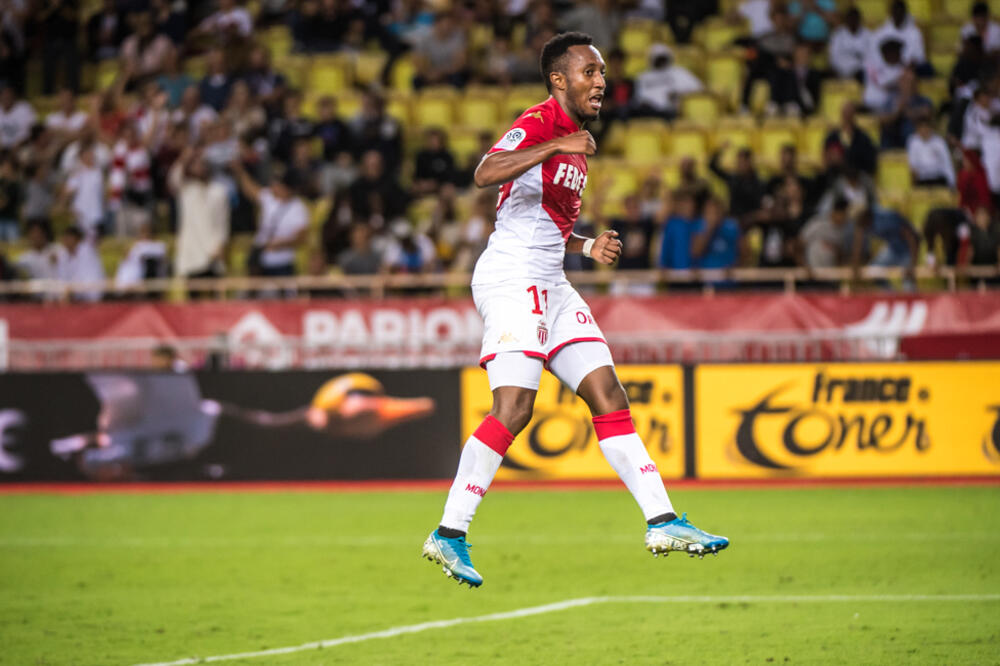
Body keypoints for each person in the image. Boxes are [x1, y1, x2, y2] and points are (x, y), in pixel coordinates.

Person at [421, 32, 728, 589]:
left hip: (551, 281)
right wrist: (555, 146)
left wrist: (587, 246)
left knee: (608, 393)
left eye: (602, 71)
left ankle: (663, 521)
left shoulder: (574, 141)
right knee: (514, 408)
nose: (601, 81)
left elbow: (546, 225)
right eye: (590, 71)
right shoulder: (540, 122)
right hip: (511, 277)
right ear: (559, 79)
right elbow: (485, 173)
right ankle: (449, 531)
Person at [232, 161, 309, 277]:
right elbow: (250, 189)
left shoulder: (298, 208)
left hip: (283, 262)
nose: (274, 185)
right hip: (260, 259)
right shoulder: (269, 198)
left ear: (287, 188)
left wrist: (281, 243)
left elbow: (302, 238)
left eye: (278, 183)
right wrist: (240, 171)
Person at [169, 148, 230, 280]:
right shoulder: (186, 190)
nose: (199, 167)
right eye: (195, 164)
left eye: (202, 164)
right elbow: (173, 178)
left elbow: (223, 222)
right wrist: (185, 157)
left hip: (212, 252)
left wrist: (220, 244)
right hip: (191, 254)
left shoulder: (218, 191)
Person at [632, 43, 703, 119]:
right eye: (658, 58)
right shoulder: (643, 77)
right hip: (648, 112)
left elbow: (699, 88)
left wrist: (680, 94)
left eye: (663, 58)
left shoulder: (679, 72)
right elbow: (637, 99)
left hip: (673, 111)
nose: (661, 61)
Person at [907, 114, 956, 187]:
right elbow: (912, 164)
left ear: (931, 128)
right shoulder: (913, 142)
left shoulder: (939, 142)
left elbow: (947, 164)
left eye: (926, 127)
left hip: (938, 179)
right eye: (921, 128)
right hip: (922, 180)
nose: (924, 130)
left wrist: (952, 183)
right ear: (917, 129)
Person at [829, 7, 871, 81]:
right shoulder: (838, 34)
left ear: (859, 19)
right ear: (846, 19)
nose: (853, 21)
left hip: (861, 72)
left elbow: (870, 56)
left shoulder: (867, 34)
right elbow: (833, 56)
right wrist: (839, 70)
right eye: (850, 18)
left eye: (855, 18)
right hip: (841, 71)